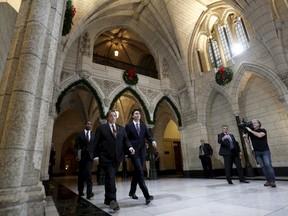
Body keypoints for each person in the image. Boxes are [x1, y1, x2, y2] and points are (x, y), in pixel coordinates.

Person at [95, 110, 135, 211]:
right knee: (111, 177)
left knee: (109, 177)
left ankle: (107, 199)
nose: (113, 117)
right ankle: (113, 200)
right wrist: (96, 156)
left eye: (114, 116)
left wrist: (130, 148)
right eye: (111, 116)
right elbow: (96, 143)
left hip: (117, 158)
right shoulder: (101, 128)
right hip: (105, 157)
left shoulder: (121, 129)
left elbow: (126, 140)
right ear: (107, 117)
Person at [125, 108, 156, 205]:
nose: (138, 115)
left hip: (142, 152)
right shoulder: (129, 126)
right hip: (133, 152)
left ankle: (132, 192)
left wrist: (153, 141)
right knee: (140, 172)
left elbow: (148, 136)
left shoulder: (143, 126)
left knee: (136, 172)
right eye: (136, 113)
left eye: (139, 113)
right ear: (132, 115)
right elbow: (126, 139)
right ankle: (147, 195)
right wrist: (129, 148)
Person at [243, 119, 276, 187]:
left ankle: (272, 181)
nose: (253, 124)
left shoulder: (263, 130)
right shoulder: (250, 133)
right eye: (252, 123)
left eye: (255, 122)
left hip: (265, 151)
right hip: (256, 152)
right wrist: (245, 137)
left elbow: (260, 135)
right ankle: (268, 181)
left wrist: (250, 130)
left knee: (268, 165)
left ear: (259, 124)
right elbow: (249, 142)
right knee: (263, 167)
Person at [74, 120, 96, 199]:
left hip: (90, 157)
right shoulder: (80, 134)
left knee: (88, 174)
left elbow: (95, 146)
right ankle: (80, 191)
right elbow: (76, 146)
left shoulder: (93, 134)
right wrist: (77, 154)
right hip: (81, 157)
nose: (89, 125)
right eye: (88, 124)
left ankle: (89, 193)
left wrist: (96, 155)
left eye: (90, 124)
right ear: (85, 125)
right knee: (81, 175)